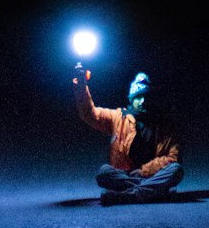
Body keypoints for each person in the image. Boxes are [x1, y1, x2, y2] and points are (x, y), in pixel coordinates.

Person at [72, 66, 184, 204]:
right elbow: (89, 114)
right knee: (104, 173)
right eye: (138, 97)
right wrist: (81, 85)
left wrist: (144, 171)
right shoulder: (118, 117)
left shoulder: (163, 124)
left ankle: (130, 195)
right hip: (125, 175)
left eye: (145, 96)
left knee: (176, 170)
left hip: (152, 174)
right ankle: (156, 192)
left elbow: (173, 158)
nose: (142, 101)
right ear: (131, 98)